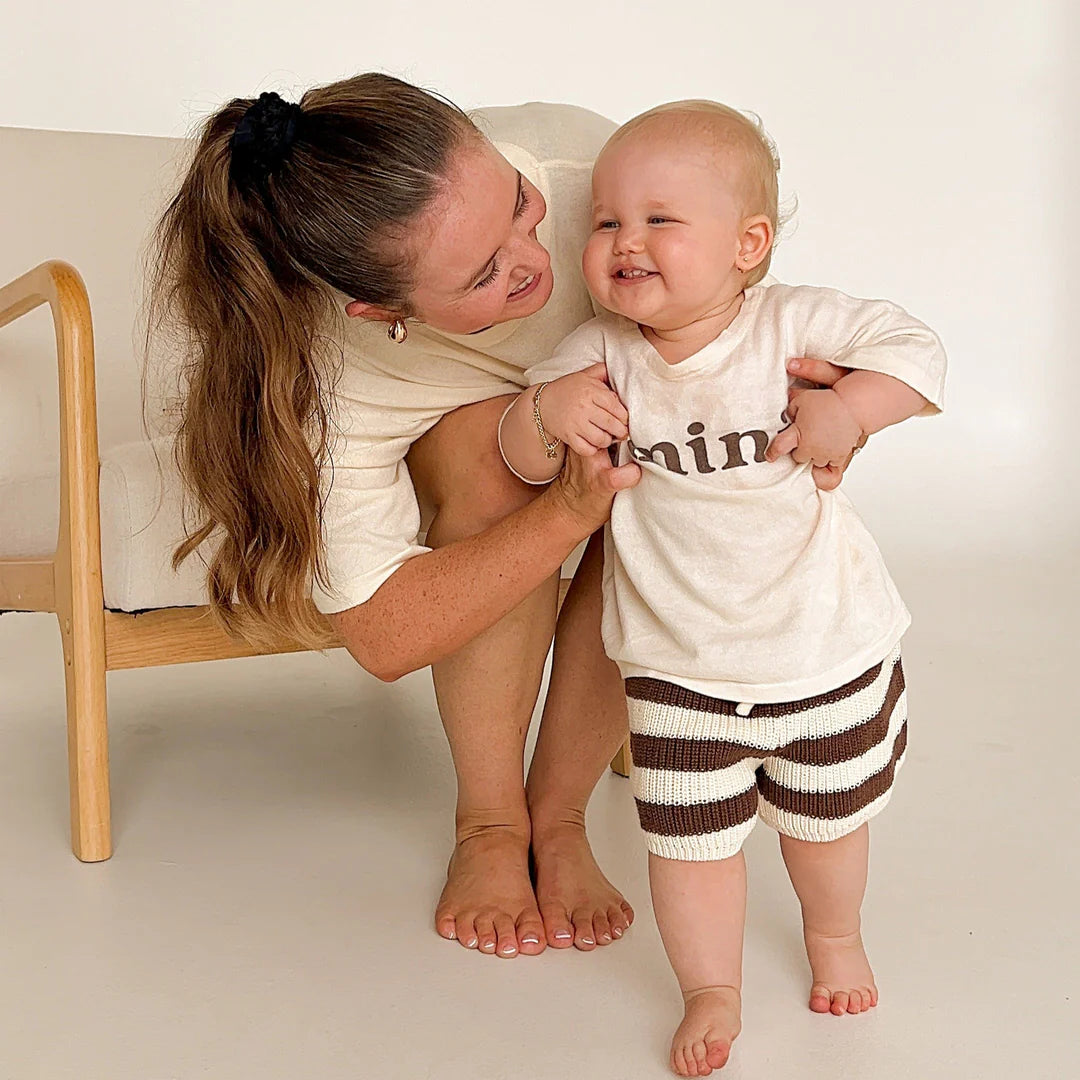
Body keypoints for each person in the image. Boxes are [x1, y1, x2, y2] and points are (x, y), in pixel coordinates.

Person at [149, 73, 857, 964]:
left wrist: (824, 406)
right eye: (487, 272)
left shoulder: (600, 178)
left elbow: (730, 334)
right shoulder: (328, 371)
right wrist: (564, 510)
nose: (540, 258)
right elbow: (382, 634)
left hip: (596, 410)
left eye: (520, 208)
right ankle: (489, 822)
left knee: (657, 465)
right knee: (490, 461)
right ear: (380, 310)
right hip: (475, 438)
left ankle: (558, 817)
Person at [499, 100, 945, 1074]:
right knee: (689, 847)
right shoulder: (599, 356)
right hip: (677, 665)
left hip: (822, 644)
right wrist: (543, 413)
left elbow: (918, 350)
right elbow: (521, 458)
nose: (625, 241)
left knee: (827, 825)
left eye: (661, 220)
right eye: (607, 222)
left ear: (749, 244)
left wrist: (850, 412)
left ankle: (832, 937)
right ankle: (712, 986)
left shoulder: (789, 326)